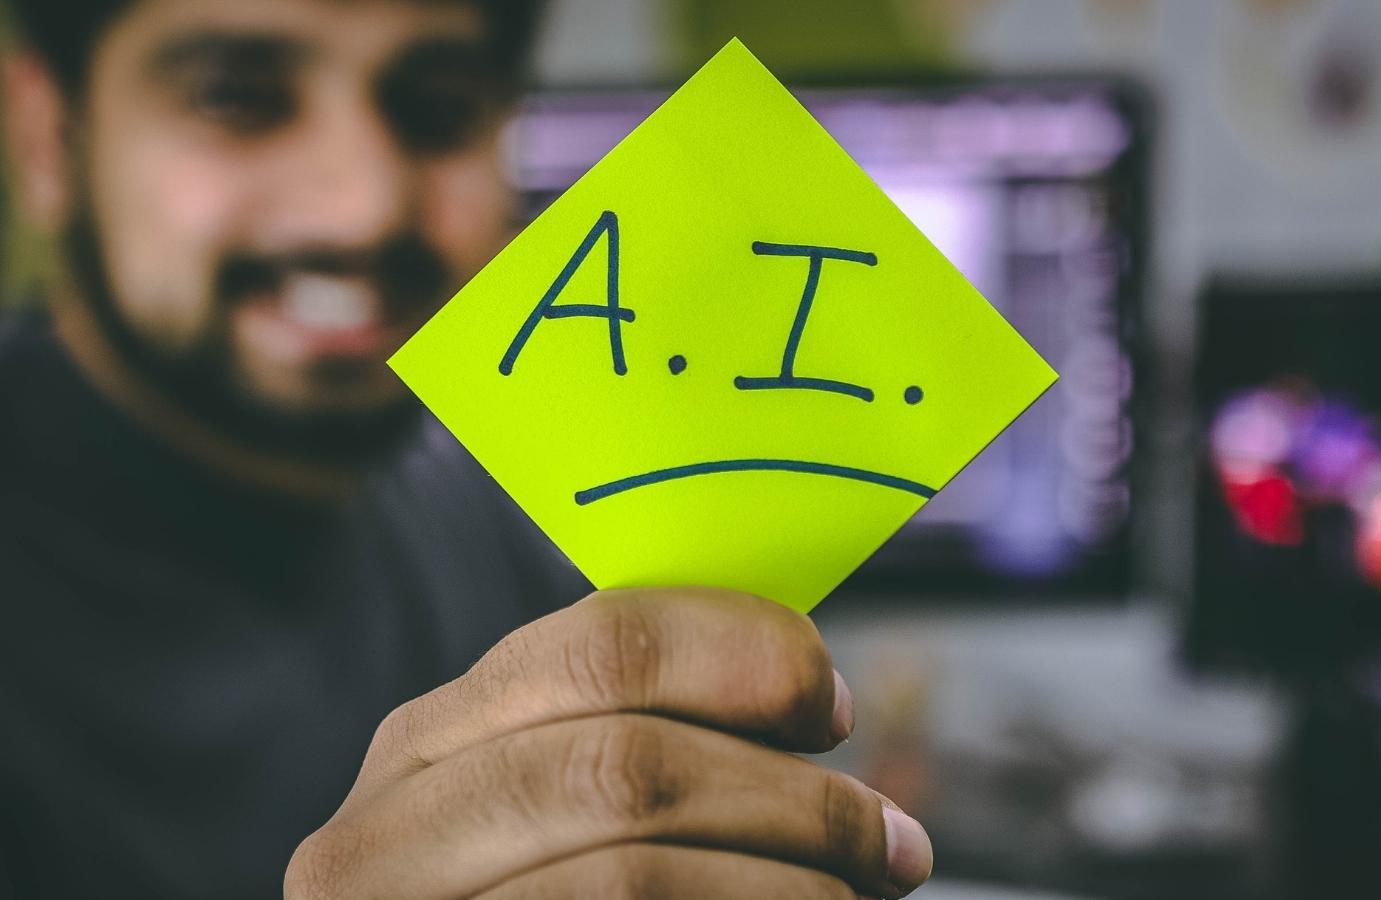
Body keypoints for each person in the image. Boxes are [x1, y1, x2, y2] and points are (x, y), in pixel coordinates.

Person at [0, 1, 935, 897]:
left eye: (439, 108)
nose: (362, 206)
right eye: (236, 98)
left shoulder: (513, 519)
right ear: (48, 135)